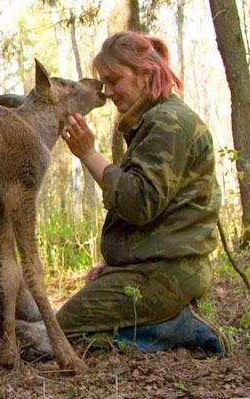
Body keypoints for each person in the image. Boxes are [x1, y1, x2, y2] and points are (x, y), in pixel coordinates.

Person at [53, 31, 224, 354]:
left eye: (115, 80)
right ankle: (158, 323)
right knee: (61, 331)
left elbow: (138, 203)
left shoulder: (169, 123)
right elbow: (159, 215)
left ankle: (177, 329)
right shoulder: (155, 121)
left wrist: (89, 154)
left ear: (146, 73)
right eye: (104, 83)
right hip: (156, 269)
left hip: (167, 275)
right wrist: (118, 263)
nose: (110, 93)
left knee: (57, 335)